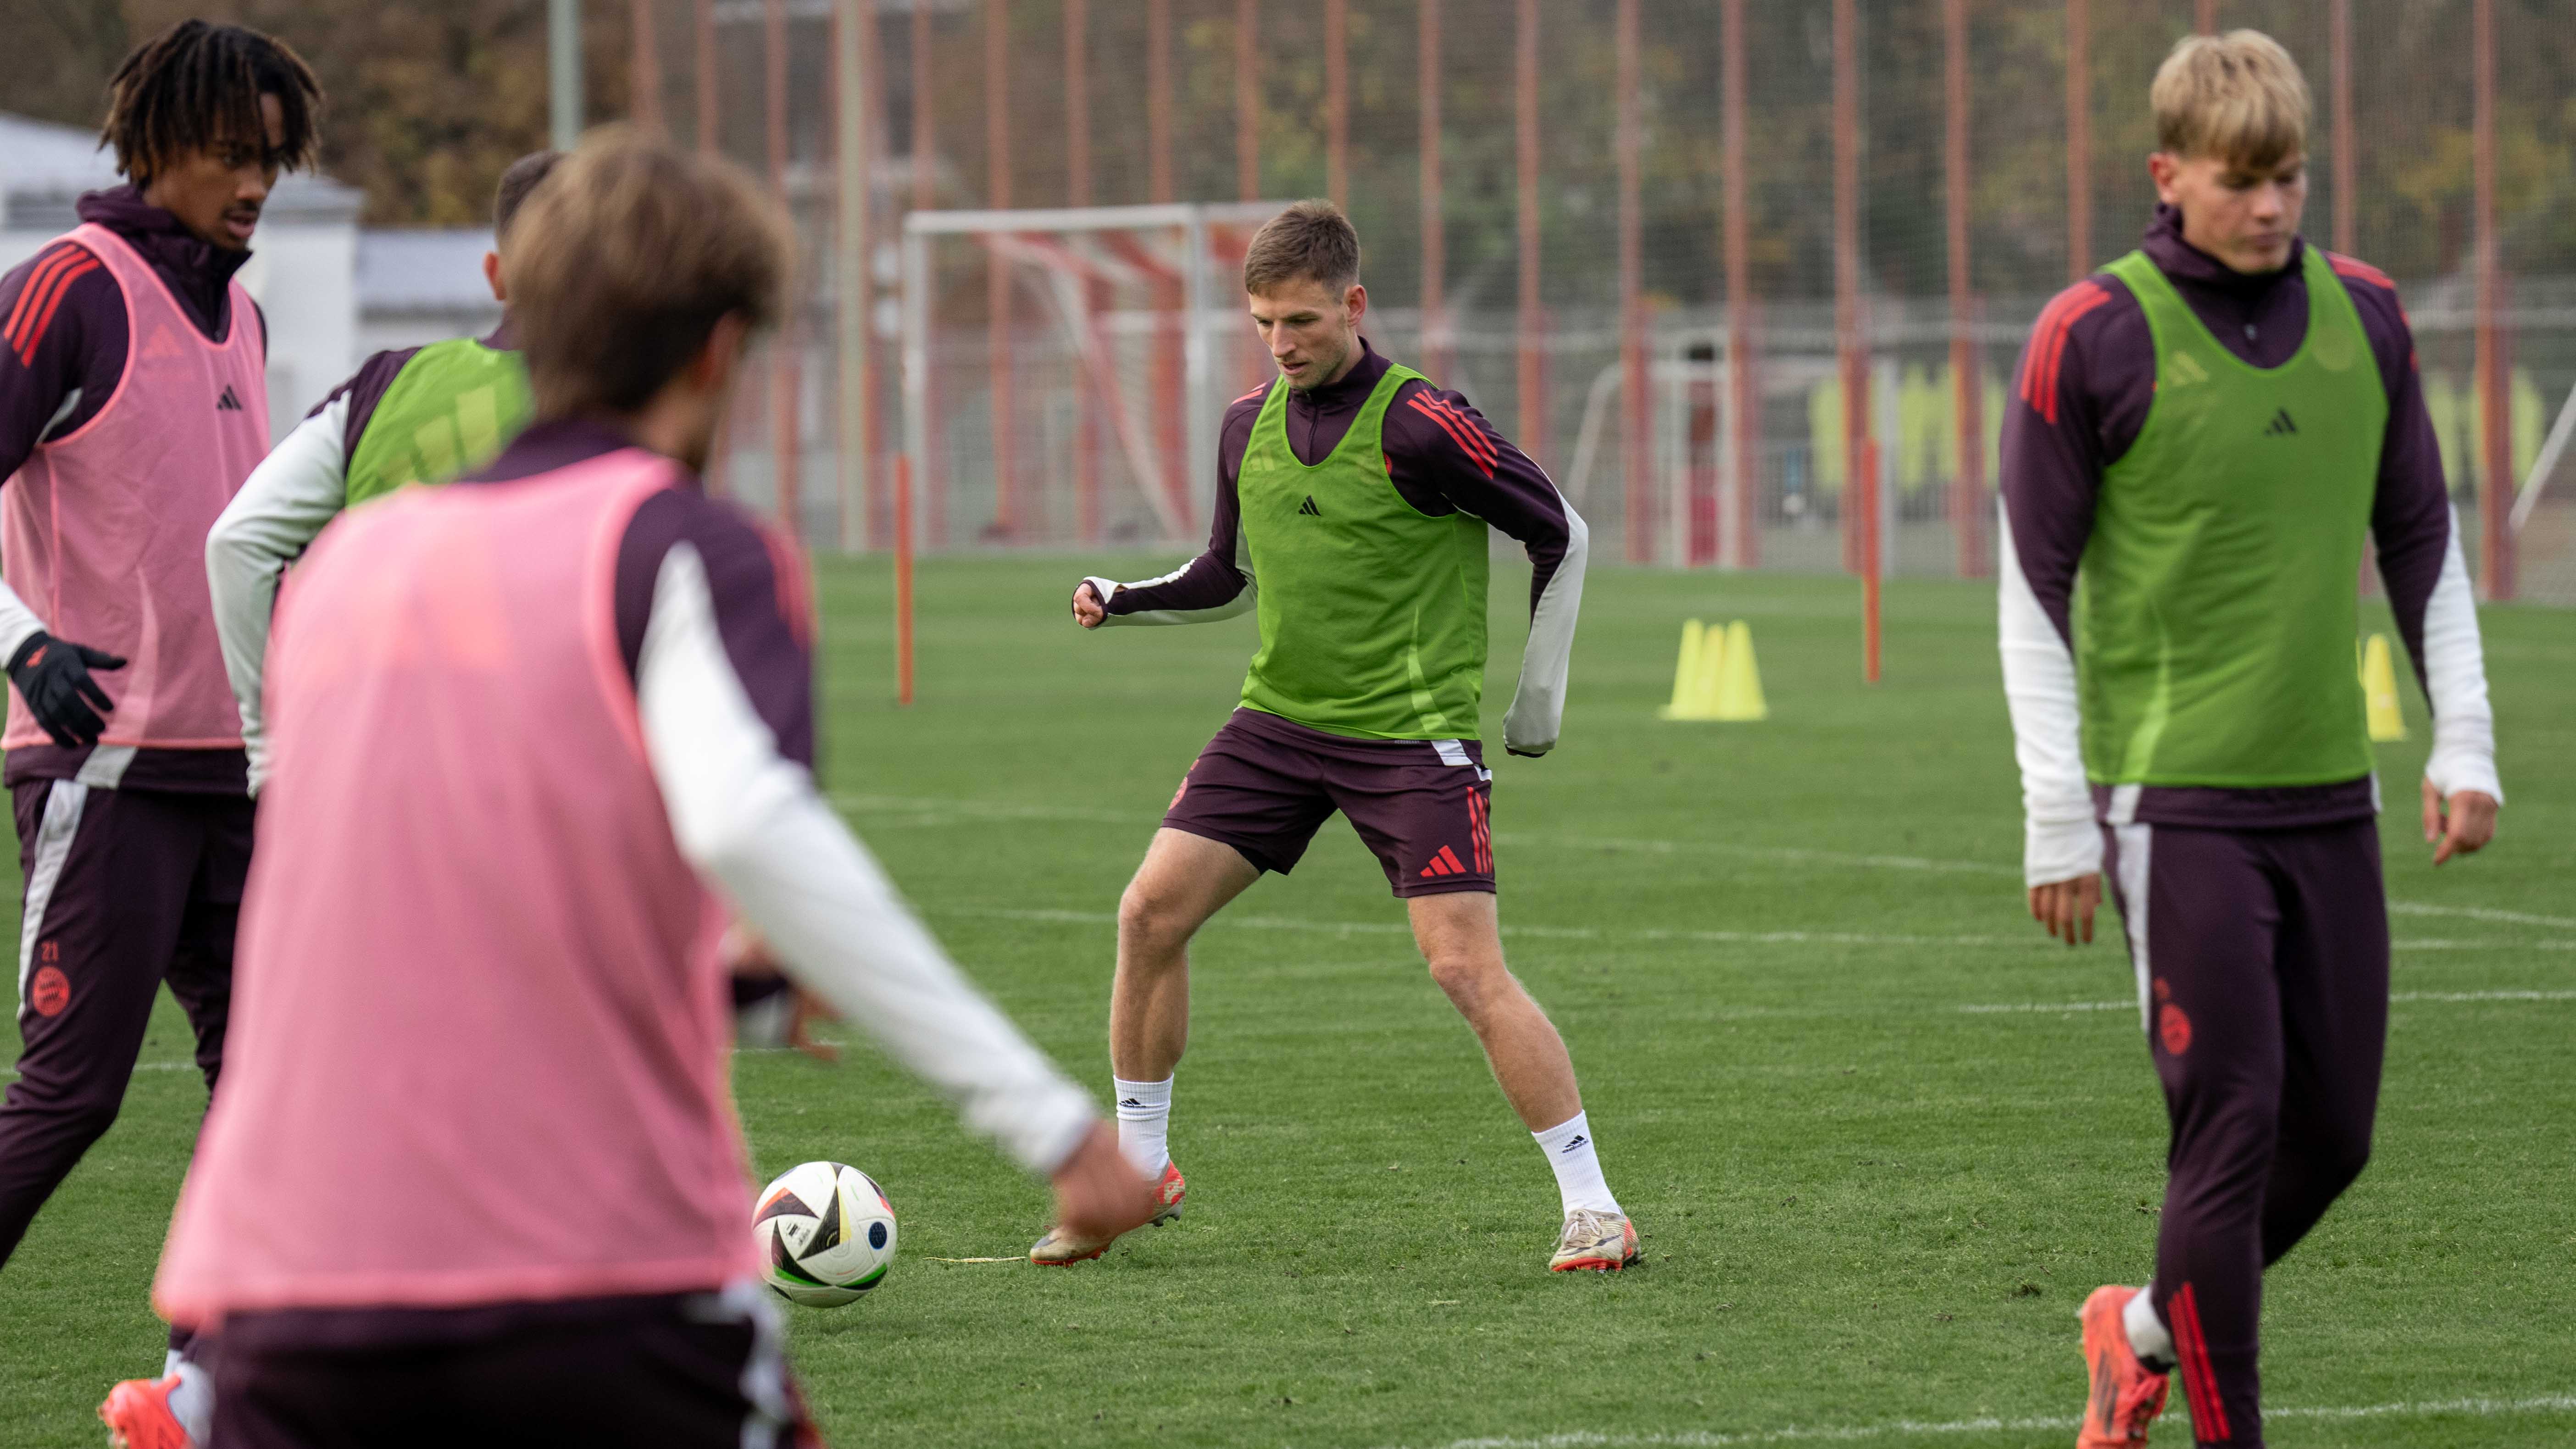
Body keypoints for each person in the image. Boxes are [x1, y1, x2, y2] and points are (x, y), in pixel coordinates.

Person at [148, 129, 1156, 1447]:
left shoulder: (345, 569)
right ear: (719, 352)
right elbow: (749, 826)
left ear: (525, 309)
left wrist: (737, 987)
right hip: (591, 1283)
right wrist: (1057, 1130)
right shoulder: (683, 546)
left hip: (281, 1295)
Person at [1997, 32, 2501, 1449]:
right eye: (2241, 181)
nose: (2273, 206)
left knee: (2334, 1141)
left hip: (2330, 798)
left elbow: (2422, 540)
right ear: (2169, 176)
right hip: (2174, 808)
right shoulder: (2089, 333)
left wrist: (2465, 739)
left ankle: (2139, 1328)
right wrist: (2057, 813)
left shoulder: (2371, 317)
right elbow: (2028, 592)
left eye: (2288, 177)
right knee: (2226, 1140)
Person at [1050, 200, 1631, 1274]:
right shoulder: (1245, 425)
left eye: (1304, 321)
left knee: (1463, 967)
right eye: (1265, 322)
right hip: (1277, 723)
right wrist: (1122, 595)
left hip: (1410, 740)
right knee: (1148, 911)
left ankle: (1595, 1206)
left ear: (1355, 306)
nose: (1283, 343)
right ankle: (1139, 1173)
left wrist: (1534, 705)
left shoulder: (1424, 422)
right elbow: (1226, 575)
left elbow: (1562, 531)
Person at [0, 16, 323, 1442]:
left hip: (238, 777)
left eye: (273, 159)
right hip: (105, 772)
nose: (255, 183)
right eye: (230, 153)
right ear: (154, 146)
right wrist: (20, 642)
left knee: (272, 1094)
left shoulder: (245, 315)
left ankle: (197, 1383)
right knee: (70, 1098)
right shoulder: (69, 290)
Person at [205, 148, 555, 797]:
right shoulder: (624, 412)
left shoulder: (385, 384)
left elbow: (237, 540)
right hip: (523, 782)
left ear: (497, 275)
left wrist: (270, 753)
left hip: (362, 770)